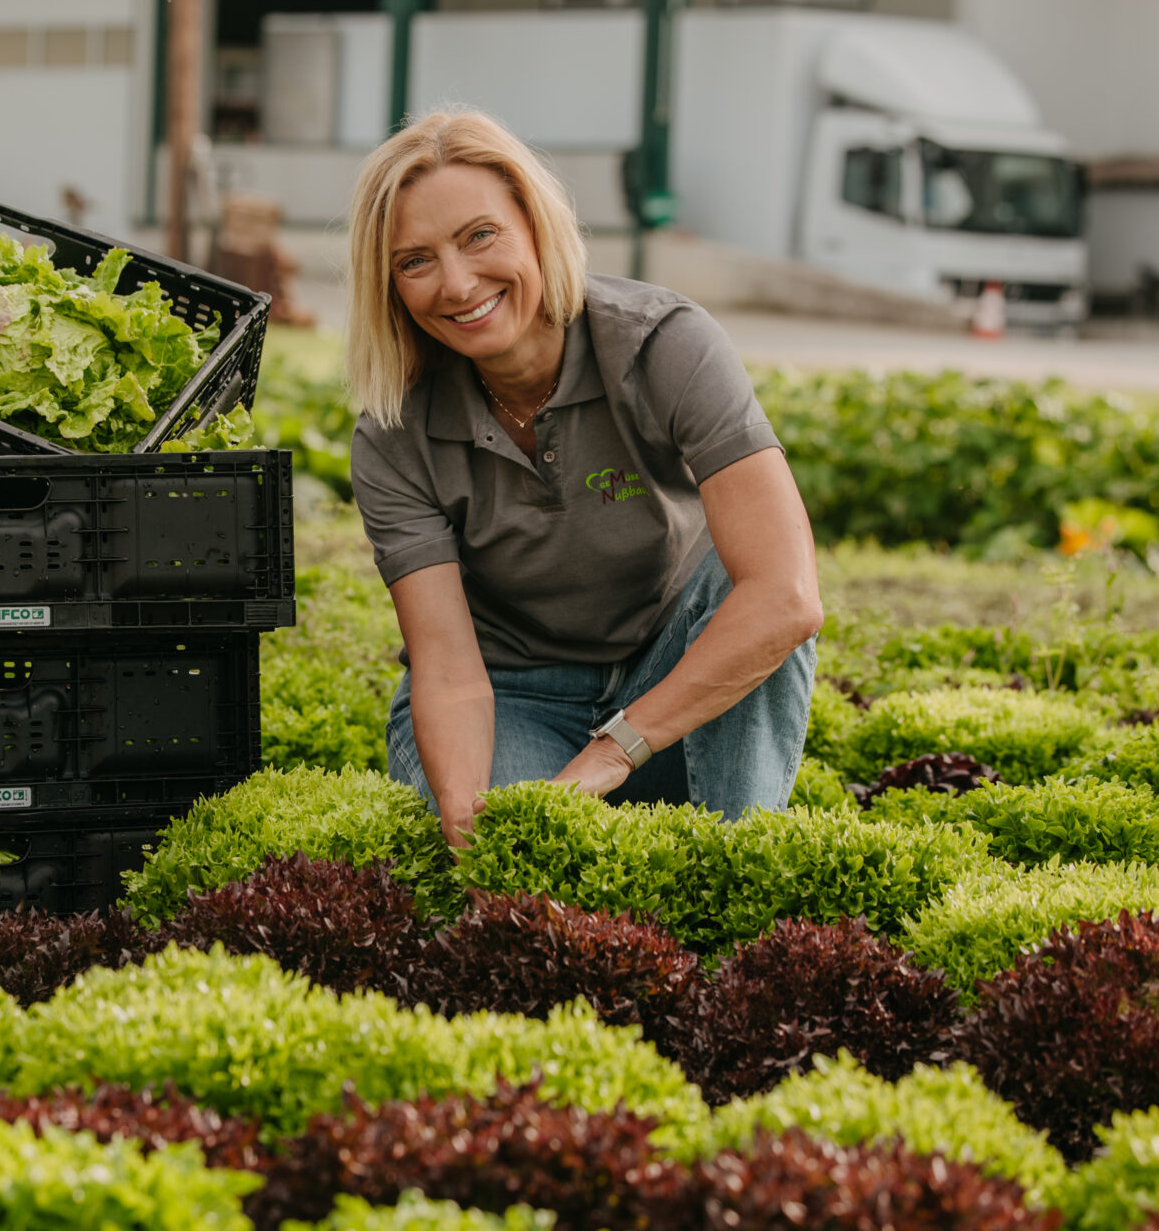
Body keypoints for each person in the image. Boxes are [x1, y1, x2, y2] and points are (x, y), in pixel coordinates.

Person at [345, 109, 822, 847]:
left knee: (748, 577)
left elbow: (786, 597)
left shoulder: (666, 344)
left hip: (668, 680)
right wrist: (481, 830)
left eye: (480, 235)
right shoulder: (393, 434)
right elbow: (450, 669)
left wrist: (615, 749)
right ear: (390, 285)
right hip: (513, 700)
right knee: (525, 849)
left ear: (535, 224)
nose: (458, 282)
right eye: (415, 260)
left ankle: (738, 871)